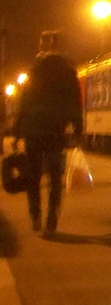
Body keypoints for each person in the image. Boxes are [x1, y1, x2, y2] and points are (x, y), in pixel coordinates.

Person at [14, 30, 83, 234]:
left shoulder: (33, 70)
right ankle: (52, 217)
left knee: (33, 176)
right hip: (55, 129)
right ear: (57, 46)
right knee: (54, 177)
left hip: (34, 129)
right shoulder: (67, 70)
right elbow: (74, 101)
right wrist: (77, 128)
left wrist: (18, 131)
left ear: (41, 45)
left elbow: (23, 101)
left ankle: (35, 215)